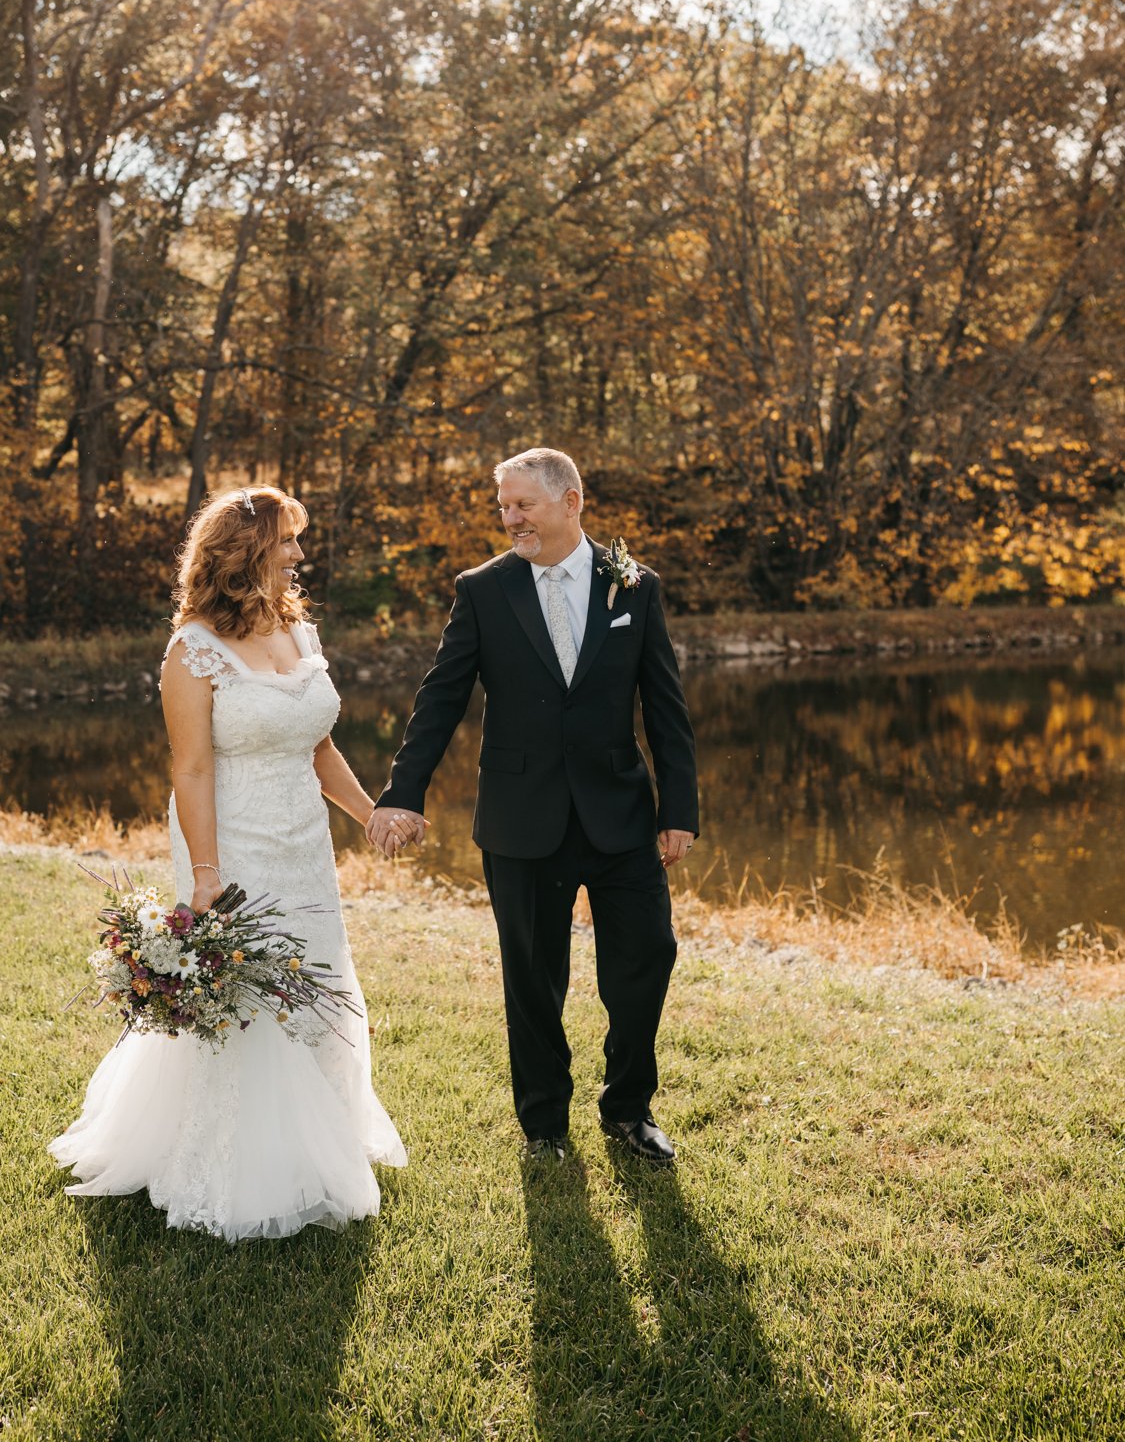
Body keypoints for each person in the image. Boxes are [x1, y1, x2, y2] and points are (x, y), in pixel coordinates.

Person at [50, 485, 406, 1239]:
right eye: (287, 542)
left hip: (303, 841)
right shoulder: (193, 651)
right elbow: (191, 772)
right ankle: (235, 1166)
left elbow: (318, 747)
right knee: (248, 997)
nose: (299, 555)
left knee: (313, 979)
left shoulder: (299, 633)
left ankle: (320, 1145)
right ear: (246, 554)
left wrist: (368, 812)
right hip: (230, 845)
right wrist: (205, 875)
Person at [370, 448, 698, 1165]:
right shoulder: (483, 589)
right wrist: (404, 792)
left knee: (647, 958)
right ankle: (544, 1124)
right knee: (532, 978)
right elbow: (441, 698)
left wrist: (679, 810)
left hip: (620, 814)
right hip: (522, 819)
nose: (510, 518)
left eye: (523, 504)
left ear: (570, 501)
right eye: (504, 507)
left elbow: (664, 705)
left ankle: (627, 1109)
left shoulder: (632, 585)